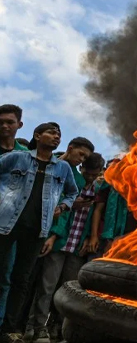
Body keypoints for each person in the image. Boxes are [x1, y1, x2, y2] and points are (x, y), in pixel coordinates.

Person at [0, 123, 78, 343]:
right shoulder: (18, 158)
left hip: (37, 230)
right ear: (37, 135)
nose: (56, 137)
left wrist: (62, 207)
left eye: (59, 135)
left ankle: (10, 329)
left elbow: (72, 192)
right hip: (6, 224)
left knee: (21, 279)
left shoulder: (62, 168)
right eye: (51, 133)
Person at [25, 153, 105, 342]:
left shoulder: (99, 190)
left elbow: (95, 218)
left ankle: (57, 327)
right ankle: (35, 326)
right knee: (46, 287)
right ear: (81, 168)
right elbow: (61, 214)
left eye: (95, 174)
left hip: (78, 248)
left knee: (68, 290)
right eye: (88, 173)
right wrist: (53, 236)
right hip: (60, 243)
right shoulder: (71, 184)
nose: (91, 178)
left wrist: (89, 238)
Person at [0, 105, 28, 325]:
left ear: (19, 125)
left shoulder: (27, 157)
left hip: (10, 225)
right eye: (0, 122)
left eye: (10, 122)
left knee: (4, 279)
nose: (4, 126)